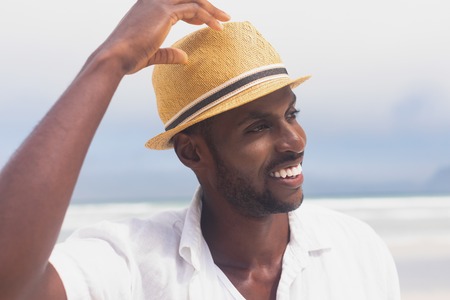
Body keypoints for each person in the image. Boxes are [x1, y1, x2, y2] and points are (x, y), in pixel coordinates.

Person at [0, 0, 400, 299]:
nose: (294, 141)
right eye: (258, 127)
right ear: (191, 153)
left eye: (291, 114)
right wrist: (110, 60)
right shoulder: (134, 264)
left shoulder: (356, 249)